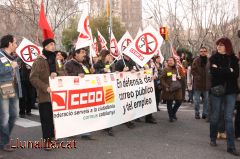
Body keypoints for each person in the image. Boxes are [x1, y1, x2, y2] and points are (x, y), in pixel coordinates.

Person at [209, 37, 239, 156]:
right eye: (218, 45)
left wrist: (221, 69)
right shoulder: (213, 58)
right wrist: (228, 70)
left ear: (227, 46)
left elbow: (235, 74)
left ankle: (231, 146)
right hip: (217, 91)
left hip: (231, 91)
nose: (219, 47)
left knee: (228, 118)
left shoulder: (234, 59)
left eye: (221, 45)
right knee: (215, 116)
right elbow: (214, 74)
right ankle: (212, 137)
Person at [30, 38, 57, 150]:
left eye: (54, 44)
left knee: (53, 118)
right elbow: (33, 78)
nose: (53, 46)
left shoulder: (55, 59)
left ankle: (52, 137)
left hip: (57, 95)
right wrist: (45, 87)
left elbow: (63, 72)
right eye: (51, 44)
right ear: (45, 46)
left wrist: (57, 73)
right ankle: (47, 141)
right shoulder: (39, 61)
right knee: (46, 119)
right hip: (44, 95)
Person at [64, 47, 95, 140]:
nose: (84, 54)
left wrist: (92, 72)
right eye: (82, 52)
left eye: (85, 52)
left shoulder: (85, 64)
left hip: (85, 92)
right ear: (75, 54)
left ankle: (85, 132)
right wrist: (76, 76)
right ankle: (70, 131)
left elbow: (88, 77)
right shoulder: (68, 64)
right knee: (73, 113)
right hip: (74, 93)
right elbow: (65, 76)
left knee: (85, 112)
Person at [0, 34, 21, 152]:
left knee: (14, 114)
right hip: (3, 86)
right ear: (9, 44)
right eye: (15, 42)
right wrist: (11, 67)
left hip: (12, 88)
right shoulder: (0, 55)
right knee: (4, 116)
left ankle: (3, 137)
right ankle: (4, 141)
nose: (16, 45)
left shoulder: (13, 56)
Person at [160, 57, 184, 122]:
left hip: (177, 88)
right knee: (169, 102)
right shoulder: (165, 69)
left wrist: (180, 77)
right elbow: (162, 79)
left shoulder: (178, 68)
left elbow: (183, 75)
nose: (170, 62)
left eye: (171, 60)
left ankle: (173, 113)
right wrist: (166, 86)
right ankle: (171, 116)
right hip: (169, 88)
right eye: (169, 60)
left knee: (179, 101)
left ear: (174, 61)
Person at [191, 47, 210, 119]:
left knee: (206, 100)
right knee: (197, 101)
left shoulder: (209, 60)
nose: (203, 52)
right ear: (199, 52)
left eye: (204, 51)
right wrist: (197, 76)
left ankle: (204, 113)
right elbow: (193, 70)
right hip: (198, 84)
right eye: (201, 51)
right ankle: (197, 113)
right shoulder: (196, 60)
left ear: (206, 52)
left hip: (206, 84)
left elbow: (211, 70)